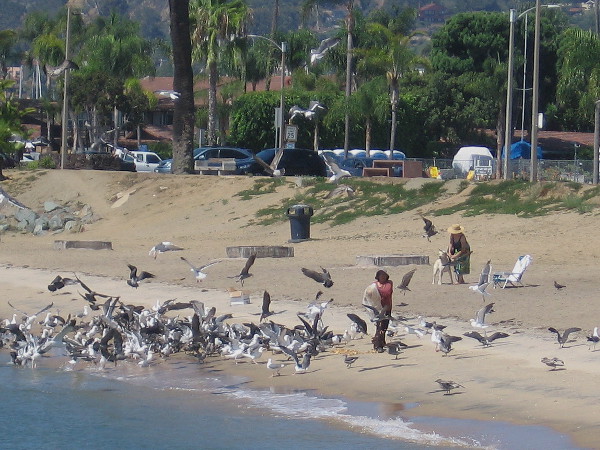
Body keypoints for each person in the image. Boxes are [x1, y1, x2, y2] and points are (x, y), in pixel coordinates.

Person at [363, 270, 393, 352]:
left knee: (385, 326)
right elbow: (368, 295)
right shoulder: (374, 286)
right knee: (379, 327)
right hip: (378, 309)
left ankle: (382, 342)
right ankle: (377, 345)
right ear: (378, 276)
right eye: (381, 275)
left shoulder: (390, 283)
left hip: (387, 307)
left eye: (384, 275)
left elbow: (390, 295)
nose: (383, 277)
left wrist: (388, 306)